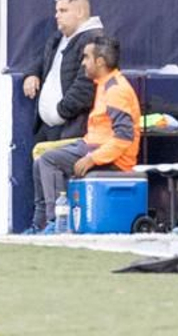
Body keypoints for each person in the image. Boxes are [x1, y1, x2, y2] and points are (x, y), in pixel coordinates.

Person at [28, 37, 141, 233]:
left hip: (110, 157)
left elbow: (124, 137)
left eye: (86, 57)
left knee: (49, 161)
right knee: (40, 160)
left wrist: (92, 159)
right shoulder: (104, 85)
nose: (83, 62)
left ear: (100, 61)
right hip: (93, 146)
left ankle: (58, 224)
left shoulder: (116, 90)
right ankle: (39, 225)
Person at [19, 0, 107, 142]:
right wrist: (32, 73)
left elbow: (86, 87)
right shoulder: (59, 37)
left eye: (63, 10)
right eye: (57, 10)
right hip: (49, 128)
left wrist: (59, 113)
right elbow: (43, 58)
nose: (56, 15)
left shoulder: (96, 40)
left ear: (79, 12)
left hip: (71, 129)